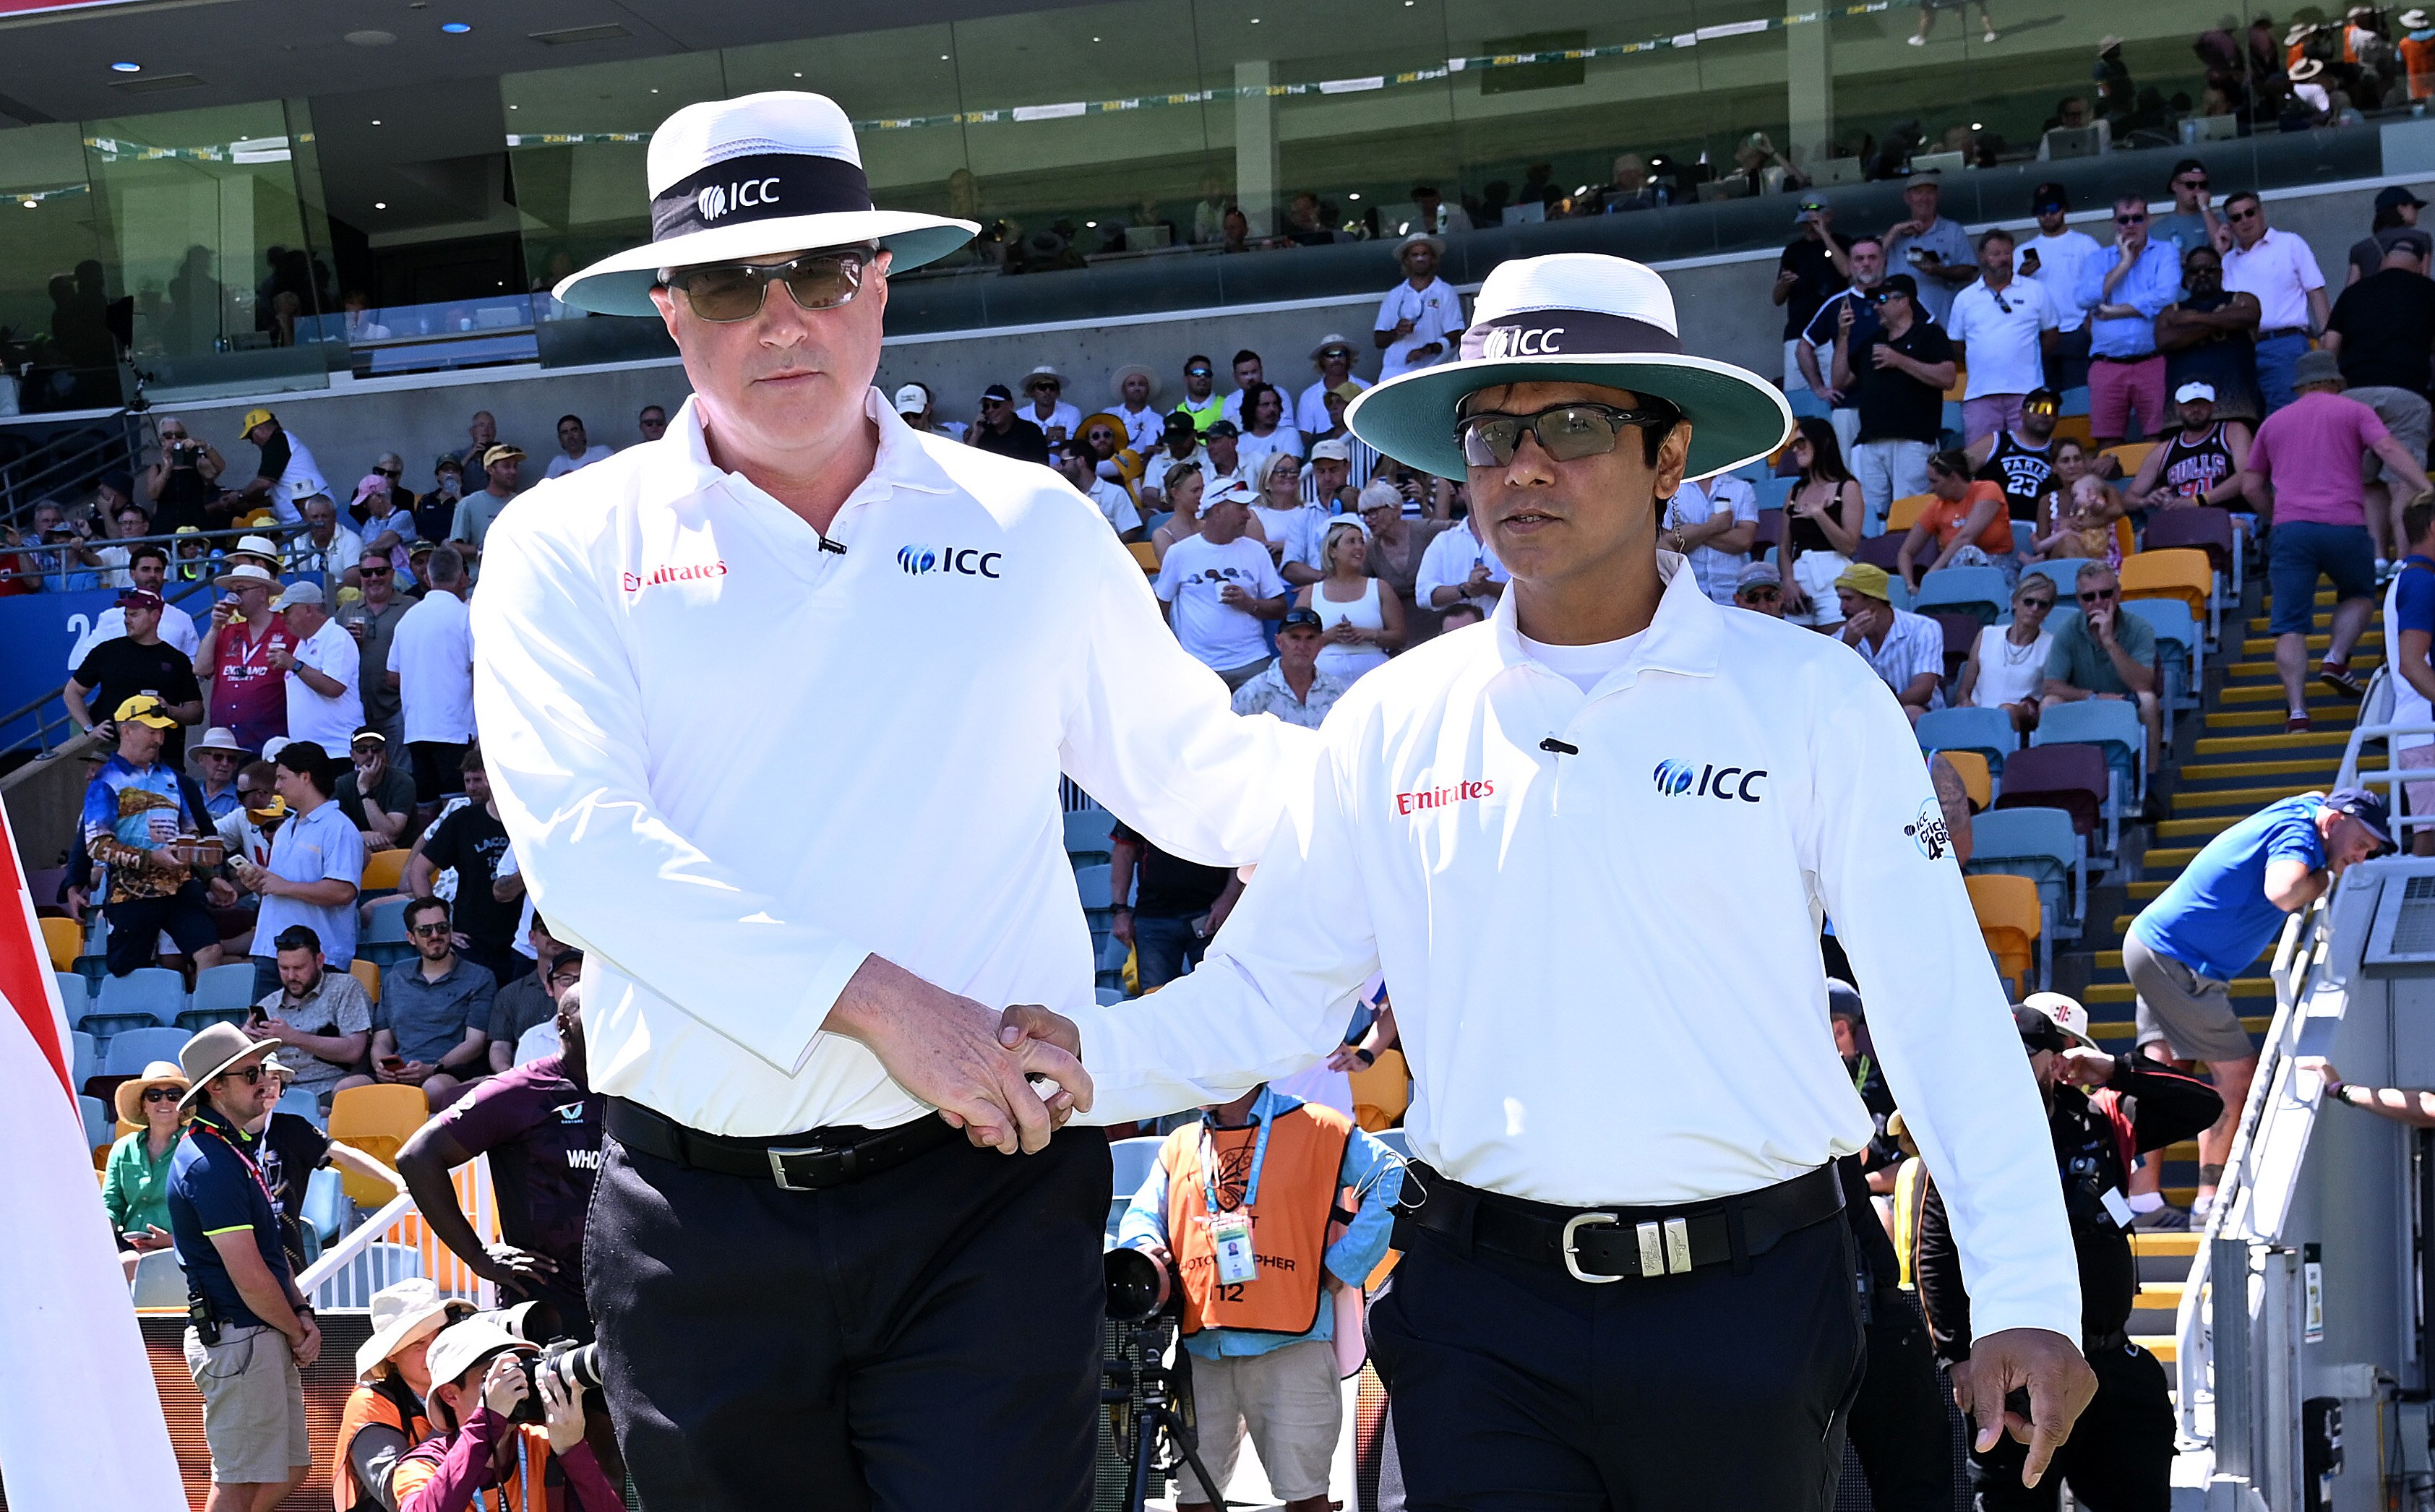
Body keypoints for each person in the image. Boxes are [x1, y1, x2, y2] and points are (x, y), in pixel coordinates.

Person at [1037, 251, 2092, 1508]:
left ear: (1668, 456)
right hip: (1482, 1314)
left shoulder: (1807, 697)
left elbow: (1935, 1007)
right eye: (1489, 435)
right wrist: (1062, 1059)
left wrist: (2027, 1295)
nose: (1520, 466)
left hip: (1752, 1301)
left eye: (1574, 427)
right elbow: (1266, 997)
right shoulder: (1393, 717)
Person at [494, 91, 1311, 1510]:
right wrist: (889, 1005)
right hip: (698, 1225)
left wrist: (1445, 783)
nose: (782, 316)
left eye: (818, 275)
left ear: (879, 286)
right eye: (732, 282)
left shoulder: (1029, 525)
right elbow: (584, 859)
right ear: (668, 310)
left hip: (981, 1201)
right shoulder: (562, 547)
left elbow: (1211, 780)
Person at [1916, 996, 2223, 1511]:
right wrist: (1956, 1358)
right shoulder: (1963, 1136)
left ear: (2054, 1061)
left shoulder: (2099, 1120)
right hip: (2017, 1370)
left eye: (2025, 1053)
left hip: (2106, 1360)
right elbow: (1933, 1253)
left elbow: (2202, 1106)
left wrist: (2112, 1068)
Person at [1117, 1081, 1402, 1512]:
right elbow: (1142, 1215)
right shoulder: (1180, 1144)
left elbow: (1393, 1178)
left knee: (1307, 1502)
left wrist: (1345, 1264)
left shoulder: (1320, 1127)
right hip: (1202, 1352)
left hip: (1292, 1347)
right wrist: (1144, 1244)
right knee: (1193, 1502)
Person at [2131, 786, 2393, 1221]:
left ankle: (2142, 1201)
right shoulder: (2302, 833)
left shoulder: (2312, 812)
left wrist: (2336, 848)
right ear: (2332, 822)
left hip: (2161, 947)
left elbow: (2316, 794)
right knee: (2236, 1071)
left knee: (2164, 1070)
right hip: (2179, 960)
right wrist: (2325, 877)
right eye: (2361, 845)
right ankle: (2209, 1201)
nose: (2362, 858)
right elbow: (2285, 891)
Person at [166, 1022, 321, 1512]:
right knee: (239, 1483)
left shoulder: (230, 1150)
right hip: (241, 1335)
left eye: (263, 1072)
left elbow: (272, 1252)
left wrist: (304, 1314)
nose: (264, 1082)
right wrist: (297, 1332)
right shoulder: (208, 1162)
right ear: (215, 1087)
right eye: (250, 1073)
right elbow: (250, 1276)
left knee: (291, 1470)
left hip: (258, 1332)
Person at [398, 979, 601, 1339]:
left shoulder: (637, 1094)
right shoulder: (523, 1089)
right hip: (547, 1306)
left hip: (625, 1299)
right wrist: (477, 1256)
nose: (607, 1020)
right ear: (563, 1025)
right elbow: (417, 1156)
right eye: (595, 1011)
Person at [2242, 348, 2432, 729]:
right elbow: (2389, 450)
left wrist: (2277, 515)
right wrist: (2425, 487)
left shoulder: (2273, 423)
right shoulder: (2354, 411)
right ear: (2337, 383)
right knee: (2359, 594)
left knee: (2289, 624)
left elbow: (2250, 485)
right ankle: (2336, 655)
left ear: (2299, 387)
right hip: (2345, 525)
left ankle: (2297, 710)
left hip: (2291, 530)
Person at [387, 1314, 619, 1512]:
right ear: (450, 1395)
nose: (512, 1386)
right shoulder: (423, 1464)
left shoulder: (546, 1444)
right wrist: (487, 1421)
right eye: (493, 1377)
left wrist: (574, 1450)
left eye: (514, 1371)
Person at [83, 695, 226, 977]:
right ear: (127, 730)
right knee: (129, 972)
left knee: (210, 951)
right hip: (132, 894)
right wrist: (152, 858)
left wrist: (210, 875)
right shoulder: (105, 782)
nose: (159, 739)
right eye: (152, 731)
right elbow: (97, 845)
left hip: (181, 887)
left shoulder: (172, 778)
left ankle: (205, 1020)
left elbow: (190, 831)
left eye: (161, 732)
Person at [2323, 231, 2435, 556]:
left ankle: (2376, 560)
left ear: (2383, 264)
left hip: (2353, 395)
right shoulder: (2429, 291)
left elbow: (2330, 347)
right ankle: (2403, 556)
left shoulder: (2353, 294)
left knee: (2367, 480)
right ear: (2418, 265)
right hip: (2407, 393)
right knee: (2402, 480)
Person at [231, 742, 364, 1002]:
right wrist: (259, 882)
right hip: (271, 953)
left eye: (282, 778)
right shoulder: (285, 829)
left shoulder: (339, 828)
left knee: (312, 1039)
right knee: (265, 1037)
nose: (276, 786)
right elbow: (279, 885)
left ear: (305, 777)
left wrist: (284, 886)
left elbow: (344, 891)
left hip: (318, 958)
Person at [337, 1280, 476, 1512]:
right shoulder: (368, 1404)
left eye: (439, 1336)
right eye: (419, 1343)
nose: (434, 1351)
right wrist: (460, 1415)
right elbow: (395, 1495)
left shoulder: (467, 1387)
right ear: (391, 1354)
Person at [1834, 273, 1954, 529]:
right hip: (1870, 441)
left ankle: (1909, 566)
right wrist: (1843, 336)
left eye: (1883, 299)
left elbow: (1948, 377)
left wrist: (1899, 360)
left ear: (1904, 302)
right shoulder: (1871, 343)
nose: (1877, 306)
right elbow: (1839, 382)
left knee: (1909, 512)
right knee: (1868, 516)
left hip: (1913, 439)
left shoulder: (1929, 334)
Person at [1156, 476, 1291, 689]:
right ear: (1218, 510)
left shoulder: (1256, 551)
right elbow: (1160, 606)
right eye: (1241, 508)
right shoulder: (1180, 554)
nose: (1248, 515)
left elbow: (1281, 608)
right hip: (1200, 667)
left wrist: (1249, 603)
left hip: (1251, 662)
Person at [2074, 195, 2183, 447]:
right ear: (2115, 223)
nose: (2131, 225)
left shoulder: (2165, 252)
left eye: (2137, 218)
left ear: (2149, 219)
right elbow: (2084, 299)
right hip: (2107, 364)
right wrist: (2124, 264)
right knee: (2108, 442)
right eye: (2124, 219)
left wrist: (2115, 311)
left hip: (2152, 361)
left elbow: (2165, 296)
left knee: (2159, 439)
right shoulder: (2098, 259)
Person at [407, 749, 522, 984]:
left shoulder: (530, 824)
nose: (472, 786)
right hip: (471, 941)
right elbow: (419, 870)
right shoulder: (463, 820)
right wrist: (439, 925)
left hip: (520, 943)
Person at [374, 896, 495, 1113]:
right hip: (401, 1072)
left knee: (432, 1089)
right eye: (425, 931)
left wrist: (433, 1068)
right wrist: (382, 1066)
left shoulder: (479, 977)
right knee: (347, 1089)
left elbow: (475, 1043)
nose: (435, 936)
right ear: (411, 938)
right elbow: (382, 1039)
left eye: (442, 927)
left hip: (450, 1072)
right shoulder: (396, 976)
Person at [2040, 559, 2162, 770]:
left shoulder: (2140, 628)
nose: (2098, 602)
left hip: (2127, 701)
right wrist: (2094, 696)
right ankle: (2060, 775)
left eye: (2105, 594)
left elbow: (2144, 683)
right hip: (2084, 705)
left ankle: (2150, 779)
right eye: (2089, 597)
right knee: (2050, 703)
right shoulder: (2067, 630)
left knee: (2148, 701)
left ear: (2118, 594)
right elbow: (2051, 686)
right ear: (2079, 600)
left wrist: (2109, 642)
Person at [387, 546, 476, 822]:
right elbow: (481, 668)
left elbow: (391, 676)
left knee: (427, 808)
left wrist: (422, 679)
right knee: (459, 808)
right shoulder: (466, 616)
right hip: (455, 729)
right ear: (464, 577)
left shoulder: (408, 619)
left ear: (427, 577)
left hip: (418, 729)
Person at [1945, 228, 2058, 445]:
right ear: (1983, 257)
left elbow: (2052, 335)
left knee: (2030, 456)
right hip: (1980, 394)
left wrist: (2024, 355)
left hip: (2028, 393)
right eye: (1996, 254)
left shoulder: (2035, 290)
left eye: (2007, 253)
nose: (2003, 259)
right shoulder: (1965, 298)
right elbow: (1956, 345)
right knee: (1982, 462)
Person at [2221, 190, 2331, 414]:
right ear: (2229, 224)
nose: (2245, 220)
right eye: (2236, 217)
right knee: (2248, 419)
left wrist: (2326, 338)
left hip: (2285, 343)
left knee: (2288, 417)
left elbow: (2315, 291)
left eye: (2249, 212)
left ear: (2261, 213)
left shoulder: (2289, 243)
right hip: (2242, 349)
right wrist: (2220, 251)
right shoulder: (2227, 260)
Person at [245, 922, 374, 1111]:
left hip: (332, 1089)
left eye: (299, 968)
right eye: (284, 968)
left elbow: (354, 1051)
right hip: (280, 1094)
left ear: (320, 961)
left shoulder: (345, 988)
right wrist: (246, 1044)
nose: (291, 976)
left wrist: (293, 1038)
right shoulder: (267, 1005)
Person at [66, 587, 205, 763]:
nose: (127, 620)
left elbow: (196, 712)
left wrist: (169, 709)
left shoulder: (177, 660)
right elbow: (72, 692)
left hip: (163, 756)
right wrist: (89, 728)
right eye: (126, 615)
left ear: (155, 616)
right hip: (111, 755)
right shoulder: (107, 651)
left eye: (134, 615)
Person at [1109, 821, 1242, 991]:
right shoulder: (1142, 795)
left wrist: (1229, 898)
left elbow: (1239, 847)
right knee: (1155, 1003)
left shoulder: (1218, 795)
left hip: (1211, 915)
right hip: (1154, 917)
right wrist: (1120, 911)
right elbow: (1124, 849)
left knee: (1218, 994)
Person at [1800, 235, 1889, 459]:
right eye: (1859, 259)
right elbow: (1803, 346)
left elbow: (1933, 332)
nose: (1866, 263)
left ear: (1884, 260)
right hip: (1849, 406)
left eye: (1872, 257)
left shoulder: (1901, 298)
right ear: (1850, 264)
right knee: (1850, 477)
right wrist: (1820, 388)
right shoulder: (1838, 304)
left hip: (1892, 404)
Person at [2156, 244, 2264, 426]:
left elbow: (2250, 316)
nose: (2202, 275)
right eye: (2194, 271)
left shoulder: (2242, 299)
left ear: (2221, 273)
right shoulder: (2170, 311)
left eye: (2210, 269)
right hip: (2184, 416)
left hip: (2238, 408)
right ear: (2185, 277)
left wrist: (2194, 319)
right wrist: (2223, 320)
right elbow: (2164, 340)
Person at [197, 562, 298, 755]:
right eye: (232, 591)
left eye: (241, 590)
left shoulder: (288, 631)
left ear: (262, 593)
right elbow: (201, 669)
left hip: (271, 742)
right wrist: (215, 627)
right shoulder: (229, 631)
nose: (234, 597)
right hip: (227, 747)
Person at [1778, 416, 1866, 628]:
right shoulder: (1795, 491)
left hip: (1834, 577)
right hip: (1800, 579)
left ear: (1822, 443)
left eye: (1801, 443)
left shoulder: (1847, 487)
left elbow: (1849, 546)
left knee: (1837, 647)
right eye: (1793, 445)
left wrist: (1820, 515)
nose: (1796, 449)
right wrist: (1788, 581)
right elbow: (1784, 547)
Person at [2384, 498, 2435, 854]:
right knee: (2429, 842)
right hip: (2426, 728)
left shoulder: (2411, 579)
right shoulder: (2421, 582)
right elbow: (2412, 663)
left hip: (2419, 728)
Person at [105, 1060, 190, 1270]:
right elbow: (111, 1206)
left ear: (183, 1104)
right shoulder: (122, 1148)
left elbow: (206, 1214)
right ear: (143, 1104)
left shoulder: (195, 1148)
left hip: (183, 1250)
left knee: (121, 1266)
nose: (164, 1101)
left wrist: (170, 1240)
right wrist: (102, 1236)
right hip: (128, 1247)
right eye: (154, 1096)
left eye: (173, 1095)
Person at [1836, 562, 1946, 721]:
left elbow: (1923, 690)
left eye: (1849, 599)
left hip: (1917, 713)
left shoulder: (1923, 628)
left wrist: (1880, 710)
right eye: (1841, 599)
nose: (1842, 607)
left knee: (1911, 713)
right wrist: (1847, 646)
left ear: (1873, 602)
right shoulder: (1843, 637)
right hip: (1862, 717)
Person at [1296, 519, 1404, 682]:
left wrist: (1368, 634)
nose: (1359, 547)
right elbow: (1294, 641)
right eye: (1351, 542)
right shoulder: (1311, 593)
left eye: (1361, 541)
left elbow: (1400, 637)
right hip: (1324, 679)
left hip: (1374, 676)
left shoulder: (1380, 588)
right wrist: (1328, 636)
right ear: (1333, 551)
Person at [1897, 448, 2017, 590]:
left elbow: (1965, 538)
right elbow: (1906, 552)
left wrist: (1930, 577)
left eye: (1934, 481)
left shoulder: (1988, 490)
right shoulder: (1936, 507)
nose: (1931, 488)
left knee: (1967, 553)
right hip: (1955, 573)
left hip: (1999, 569)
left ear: (1953, 478)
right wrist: (1910, 586)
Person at [1958, 574, 2061, 736]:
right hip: (1977, 714)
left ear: (2048, 611)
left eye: (2042, 605)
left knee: (2006, 712)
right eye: (2029, 602)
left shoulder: (2052, 645)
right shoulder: (1987, 635)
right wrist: (1965, 703)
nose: (2035, 608)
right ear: (2015, 603)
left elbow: (2049, 696)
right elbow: (1964, 690)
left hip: (2019, 720)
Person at [67, 544, 201, 669]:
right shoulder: (111, 617)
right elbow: (85, 658)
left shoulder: (182, 619)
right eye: (145, 570)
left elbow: (195, 665)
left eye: (158, 570)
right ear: (132, 574)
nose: (152, 575)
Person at [270, 580, 363, 755]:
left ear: (308, 609)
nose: (283, 617)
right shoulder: (303, 644)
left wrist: (293, 664)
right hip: (311, 752)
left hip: (338, 750)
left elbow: (334, 687)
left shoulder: (337, 637)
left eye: (287, 611)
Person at [2125, 382, 2253, 510]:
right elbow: (2128, 498)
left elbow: (2247, 476)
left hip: (2229, 514)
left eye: (2202, 404)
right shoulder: (2164, 450)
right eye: (2189, 404)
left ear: (2213, 405)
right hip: (2181, 520)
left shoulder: (2232, 432)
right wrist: (2147, 501)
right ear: (2177, 407)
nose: (2196, 409)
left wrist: (2198, 501)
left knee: (2237, 526)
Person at [1774, 197, 1851, 393]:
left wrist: (1824, 234)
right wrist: (1784, 283)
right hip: (1798, 331)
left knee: (1834, 388)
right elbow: (1777, 298)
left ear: (1829, 216)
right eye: (1805, 223)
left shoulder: (1843, 243)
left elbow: (1847, 271)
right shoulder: (1793, 251)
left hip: (1833, 331)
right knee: (1796, 393)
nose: (1810, 227)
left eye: (1814, 222)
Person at [1230, 607, 1349, 729]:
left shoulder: (1337, 691)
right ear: (1278, 642)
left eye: (1310, 638)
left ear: (1320, 644)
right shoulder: (1252, 694)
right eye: (1295, 637)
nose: (1303, 646)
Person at [1662, 472, 1761, 606]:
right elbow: (1665, 545)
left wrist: (1691, 532)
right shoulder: (1670, 489)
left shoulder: (1742, 488)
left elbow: (1744, 541)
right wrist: (1714, 526)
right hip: (1688, 594)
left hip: (1733, 593)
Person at [1375, 232, 1465, 380]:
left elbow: (1454, 335)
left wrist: (1427, 350)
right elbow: (1379, 340)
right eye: (1414, 255)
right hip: (1395, 374)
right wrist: (1396, 331)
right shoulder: (1394, 295)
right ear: (1406, 261)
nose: (1420, 259)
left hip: (1434, 372)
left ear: (1433, 259)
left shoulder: (1445, 292)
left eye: (1425, 254)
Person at [1970, 387, 2063, 523]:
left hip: (2039, 533)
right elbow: (1957, 468)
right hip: (1990, 526)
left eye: (2051, 410)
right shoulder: (1996, 441)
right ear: (2022, 413)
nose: (2044, 414)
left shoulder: (2060, 452)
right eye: (2036, 408)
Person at [230, 408, 330, 528]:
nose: (253, 442)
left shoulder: (276, 443)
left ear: (259, 430)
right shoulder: (282, 441)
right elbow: (281, 494)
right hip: (305, 516)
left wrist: (240, 495)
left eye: (251, 437)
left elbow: (263, 483)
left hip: (307, 518)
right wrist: (250, 503)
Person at [1414, 507, 1510, 624]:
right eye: (1470, 487)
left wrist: (1488, 588)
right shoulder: (1444, 540)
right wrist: (1465, 589)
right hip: (1456, 634)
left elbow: (1534, 593)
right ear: (1461, 492)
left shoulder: (1516, 538)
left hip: (1508, 629)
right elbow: (1424, 596)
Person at [332, 726, 413, 852]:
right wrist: (362, 836)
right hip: (357, 853)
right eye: (362, 750)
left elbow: (389, 834)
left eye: (376, 749)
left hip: (399, 855)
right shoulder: (342, 784)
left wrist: (364, 790)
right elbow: (333, 831)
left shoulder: (403, 781)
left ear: (384, 752)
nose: (370, 754)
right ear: (352, 756)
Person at [146, 415, 228, 534]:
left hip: (195, 526)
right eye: (168, 436)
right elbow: (153, 495)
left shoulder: (196, 462)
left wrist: (204, 445)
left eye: (179, 436)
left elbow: (220, 467)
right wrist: (167, 468)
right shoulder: (156, 468)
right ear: (161, 440)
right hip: (166, 527)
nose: (174, 440)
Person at [1052, 434, 1143, 539]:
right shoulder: (1065, 496)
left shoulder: (1115, 493)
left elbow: (1130, 531)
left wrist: (1109, 551)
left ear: (1080, 461)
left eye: (1064, 462)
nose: (1060, 467)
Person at [448, 445, 521, 561]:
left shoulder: (522, 503)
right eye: (506, 466)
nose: (513, 471)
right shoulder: (468, 504)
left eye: (515, 466)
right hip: (479, 577)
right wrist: (484, 550)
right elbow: (455, 546)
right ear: (490, 469)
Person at [2347, 185, 2429, 285]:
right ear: (2400, 208)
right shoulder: (2420, 238)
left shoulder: (2359, 248)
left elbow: (2351, 288)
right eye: (2414, 207)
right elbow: (2425, 280)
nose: (2417, 211)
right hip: (2409, 297)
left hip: (2374, 299)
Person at [2150, 158, 2230, 258]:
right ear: (2175, 186)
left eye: (2202, 185)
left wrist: (2205, 208)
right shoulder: (2157, 230)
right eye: (2190, 185)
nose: (2197, 191)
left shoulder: (2220, 220)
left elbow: (2223, 245)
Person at [1297, 335, 1370, 435]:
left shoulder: (1367, 389)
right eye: (1331, 355)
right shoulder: (1308, 396)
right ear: (1321, 360)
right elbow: (1305, 434)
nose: (1336, 359)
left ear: (1348, 358)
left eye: (1341, 354)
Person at [966, 382, 1052, 463]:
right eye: (986, 406)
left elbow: (1042, 467)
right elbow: (966, 462)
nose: (990, 410)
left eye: (996, 405)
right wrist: (976, 434)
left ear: (1011, 405)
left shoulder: (1031, 431)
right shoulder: (983, 432)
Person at [289, 494, 366, 583]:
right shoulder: (297, 542)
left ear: (334, 516)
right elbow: (288, 579)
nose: (320, 522)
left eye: (324, 516)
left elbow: (352, 582)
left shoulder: (352, 540)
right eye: (315, 517)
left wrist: (325, 597)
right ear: (307, 519)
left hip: (340, 595)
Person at [1109, 363, 1167, 453]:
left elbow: (1153, 452)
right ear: (1123, 390)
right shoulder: (1109, 415)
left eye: (1141, 384)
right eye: (1132, 384)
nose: (1137, 388)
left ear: (1148, 390)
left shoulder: (1157, 421)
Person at [192, 726, 246, 820]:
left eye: (231, 759)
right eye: (218, 757)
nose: (225, 763)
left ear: (236, 765)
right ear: (201, 760)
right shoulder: (188, 790)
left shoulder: (241, 799)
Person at [1017, 364, 1081, 443]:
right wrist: (1046, 439)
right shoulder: (1020, 416)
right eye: (1042, 387)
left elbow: (1075, 448)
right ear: (1032, 391)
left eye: (1052, 387)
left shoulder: (1071, 412)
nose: (1048, 392)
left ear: (1058, 392)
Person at [544, 414, 612, 479]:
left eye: (574, 430)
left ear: (583, 433)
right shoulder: (557, 464)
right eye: (565, 433)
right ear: (560, 439)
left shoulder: (603, 453)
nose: (570, 436)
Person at [1173, 353, 1227, 433]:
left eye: (1207, 373)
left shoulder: (1228, 405)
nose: (1203, 377)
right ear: (1186, 378)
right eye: (1197, 373)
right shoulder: (1175, 413)